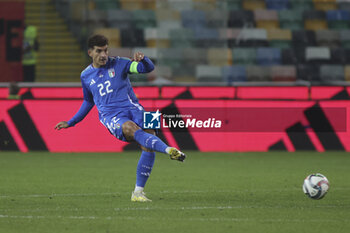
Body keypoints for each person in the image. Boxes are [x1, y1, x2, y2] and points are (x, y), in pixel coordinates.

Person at [54, 34, 186, 202]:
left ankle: (138, 193)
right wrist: (71, 121)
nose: (103, 55)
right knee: (131, 128)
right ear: (90, 53)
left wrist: (144, 60)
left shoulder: (120, 63)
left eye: (106, 50)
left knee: (150, 133)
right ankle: (169, 150)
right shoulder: (85, 75)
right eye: (99, 51)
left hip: (135, 108)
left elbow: (147, 69)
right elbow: (88, 101)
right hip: (111, 116)